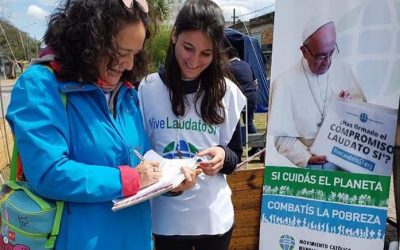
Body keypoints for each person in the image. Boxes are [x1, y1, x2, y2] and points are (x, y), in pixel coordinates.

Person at [6, 0, 163, 249]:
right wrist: (128, 179)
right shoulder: (41, 86)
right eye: (121, 53)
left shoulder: (125, 91)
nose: (130, 65)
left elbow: (140, 158)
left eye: (135, 53)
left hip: (136, 238)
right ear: (89, 40)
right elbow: (49, 173)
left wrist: (169, 178)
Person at [138, 0, 246, 249]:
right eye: (188, 47)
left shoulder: (227, 93)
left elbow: (235, 156)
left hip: (213, 222)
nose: (195, 60)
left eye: (206, 53)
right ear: (174, 35)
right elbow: (140, 153)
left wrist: (222, 155)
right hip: (166, 222)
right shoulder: (148, 88)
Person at [268, 16, 365, 170]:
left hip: (348, 164)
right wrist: (307, 158)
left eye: (331, 53)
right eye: (320, 56)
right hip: (313, 167)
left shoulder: (345, 71)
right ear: (304, 51)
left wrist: (349, 109)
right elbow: (282, 138)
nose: (327, 61)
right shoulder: (284, 83)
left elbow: (364, 121)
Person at [223, 46, 261, 155]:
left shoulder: (227, 67)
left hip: (238, 97)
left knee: (235, 123)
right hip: (252, 96)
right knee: (249, 122)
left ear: (227, 56)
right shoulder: (247, 65)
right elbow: (255, 81)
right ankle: (257, 146)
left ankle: (236, 150)